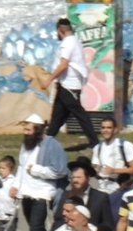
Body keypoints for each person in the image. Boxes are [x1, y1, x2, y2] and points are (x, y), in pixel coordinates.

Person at [42, 18, 99, 146]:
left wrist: (49, 79)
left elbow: (63, 65)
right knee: (57, 116)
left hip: (69, 85)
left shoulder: (68, 43)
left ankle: (95, 143)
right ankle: (47, 141)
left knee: (80, 114)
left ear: (59, 30)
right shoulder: (75, 41)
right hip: (64, 84)